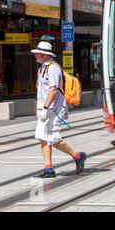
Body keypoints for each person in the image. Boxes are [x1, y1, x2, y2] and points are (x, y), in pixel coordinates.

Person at [31, 41, 87, 178]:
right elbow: (41, 87)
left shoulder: (53, 68)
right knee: (42, 138)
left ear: (44, 55)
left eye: (37, 54)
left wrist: (45, 107)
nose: (35, 56)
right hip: (44, 108)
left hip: (53, 109)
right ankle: (49, 169)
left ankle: (77, 156)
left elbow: (54, 89)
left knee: (53, 139)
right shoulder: (42, 68)